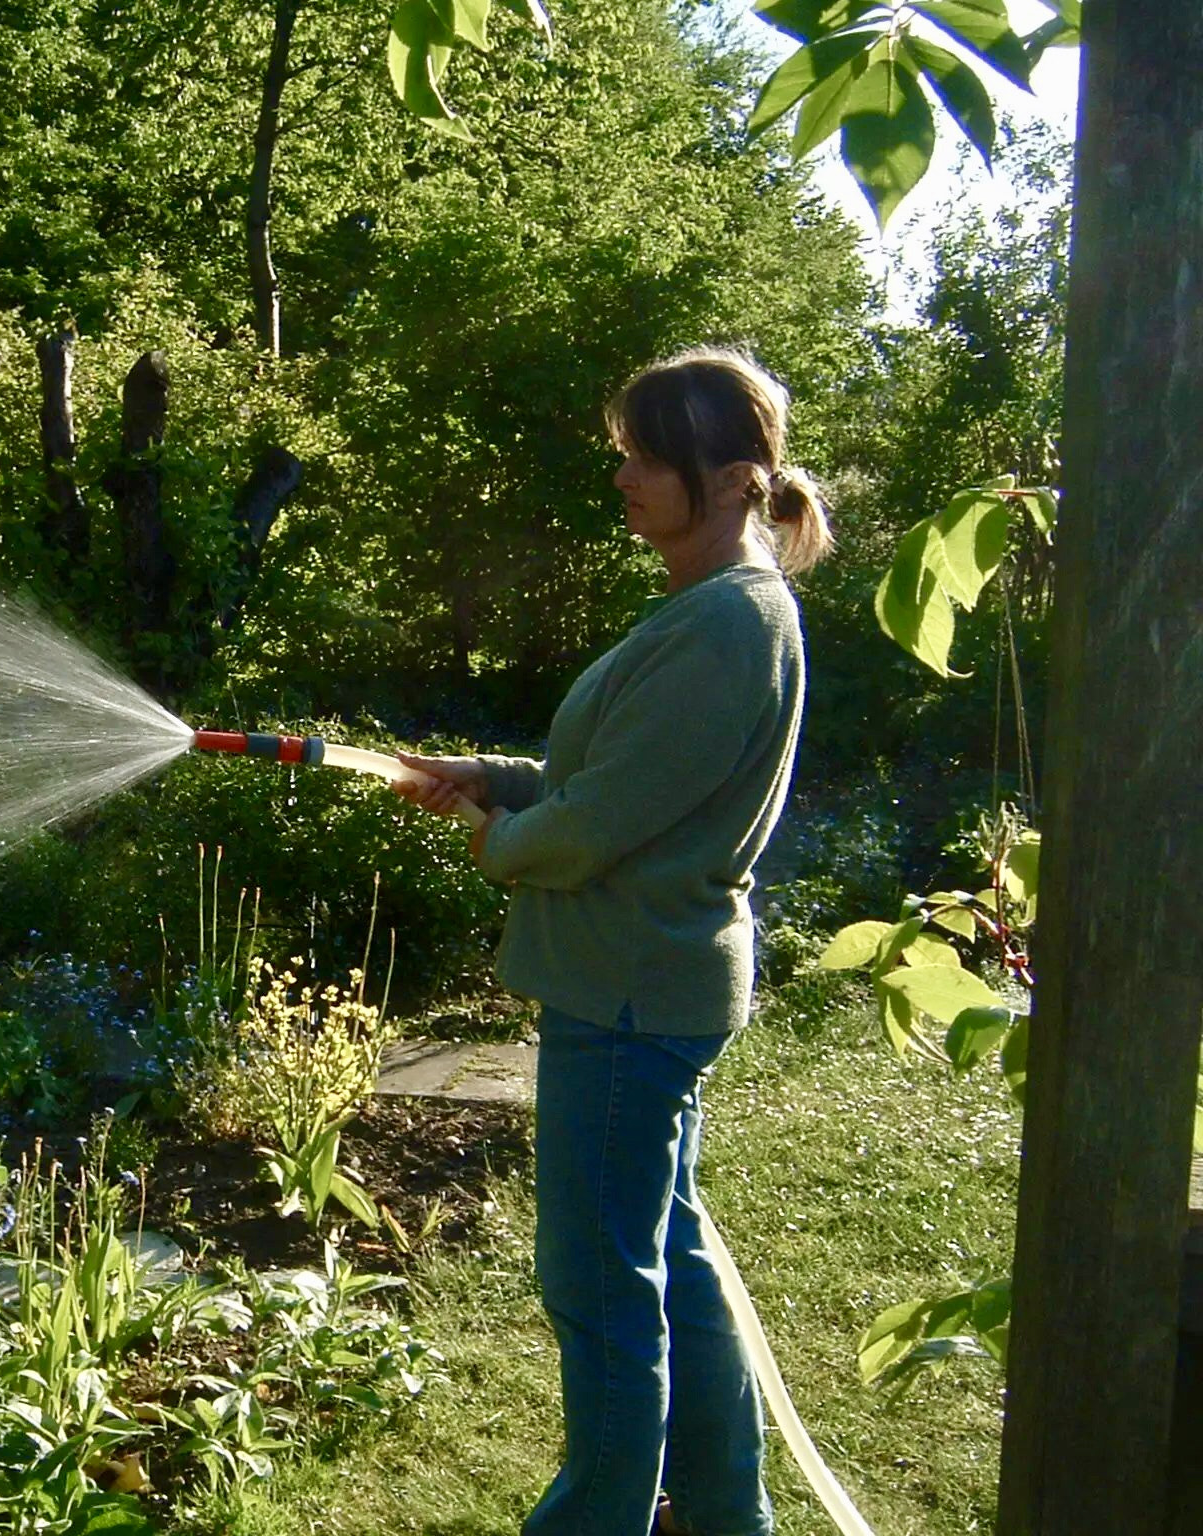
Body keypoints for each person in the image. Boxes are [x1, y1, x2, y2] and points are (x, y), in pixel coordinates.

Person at [393, 347, 833, 1536]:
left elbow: (589, 831)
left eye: (648, 458)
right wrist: (489, 776)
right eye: (624, 455)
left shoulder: (725, 626)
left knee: (599, 1285)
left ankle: (596, 1516)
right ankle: (722, 1512)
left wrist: (498, 841)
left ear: (736, 478)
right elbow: (613, 787)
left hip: (630, 994)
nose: (625, 479)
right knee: (669, 1264)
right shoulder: (714, 614)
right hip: (642, 984)